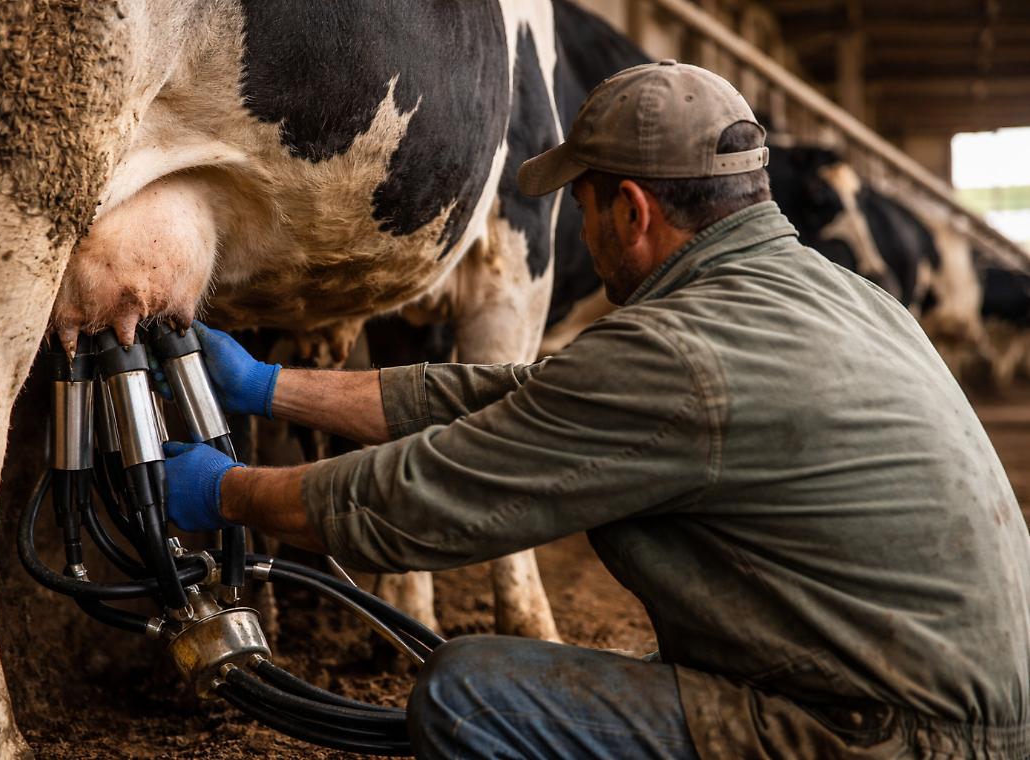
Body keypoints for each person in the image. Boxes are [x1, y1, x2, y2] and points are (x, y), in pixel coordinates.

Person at [162, 62, 1030, 759]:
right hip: (960, 708)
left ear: (630, 209)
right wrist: (269, 388)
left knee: (467, 696)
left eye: (580, 206)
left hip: (889, 736)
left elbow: (422, 502)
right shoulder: (840, 296)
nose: (582, 230)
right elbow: (524, 403)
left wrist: (225, 493)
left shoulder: (682, 354)